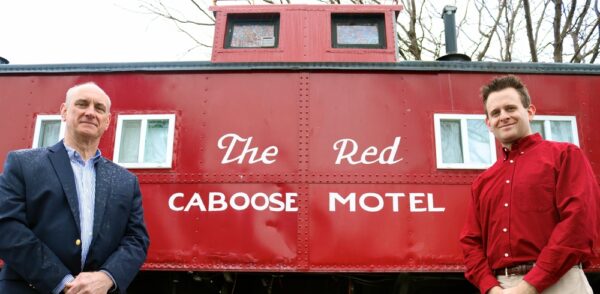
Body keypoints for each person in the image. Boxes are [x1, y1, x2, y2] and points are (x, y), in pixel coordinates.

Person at [0, 82, 150, 294]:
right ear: (64, 111)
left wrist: (107, 277)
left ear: (107, 121)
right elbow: (6, 226)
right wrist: (62, 282)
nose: (90, 112)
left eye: (99, 108)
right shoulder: (23, 164)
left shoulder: (126, 181)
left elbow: (136, 239)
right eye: (82, 104)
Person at [460, 75, 600, 294]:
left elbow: (579, 224)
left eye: (510, 108)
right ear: (488, 123)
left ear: (530, 111)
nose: (503, 116)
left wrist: (530, 285)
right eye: (495, 113)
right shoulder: (482, 183)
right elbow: (471, 243)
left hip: (561, 282)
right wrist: (491, 288)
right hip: (502, 288)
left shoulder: (564, 155)